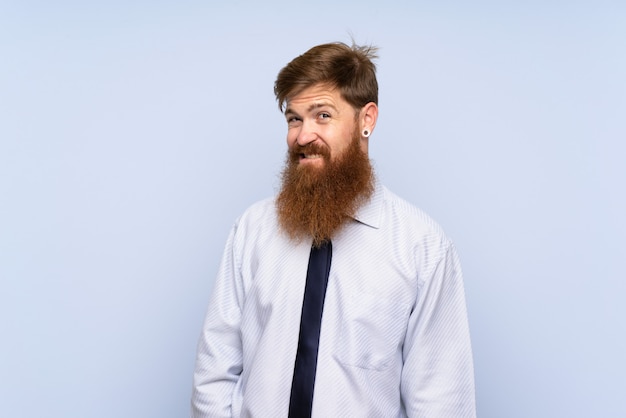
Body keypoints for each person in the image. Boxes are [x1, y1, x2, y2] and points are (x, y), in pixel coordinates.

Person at [191, 41, 476, 417]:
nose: (303, 136)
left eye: (322, 116)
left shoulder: (421, 247)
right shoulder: (252, 230)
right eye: (294, 118)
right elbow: (214, 373)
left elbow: (442, 401)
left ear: (366, 120)